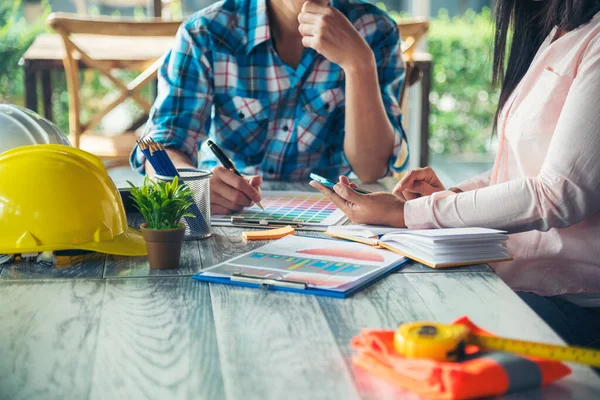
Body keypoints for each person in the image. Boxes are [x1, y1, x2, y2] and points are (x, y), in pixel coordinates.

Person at [312, 0, 600, 352]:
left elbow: (559, 193)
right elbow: (522, 169)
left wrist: (407, 214)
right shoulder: (558, 32)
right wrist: (449, 197)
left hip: (573, 303)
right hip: (519, 280)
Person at [130, 0, 409, 215]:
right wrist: (193, 184)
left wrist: (359, 64)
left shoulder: (376, 30)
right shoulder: (206, 33)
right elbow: (161, 149)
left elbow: (372, 169)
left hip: (336, 215)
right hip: (231, 215)